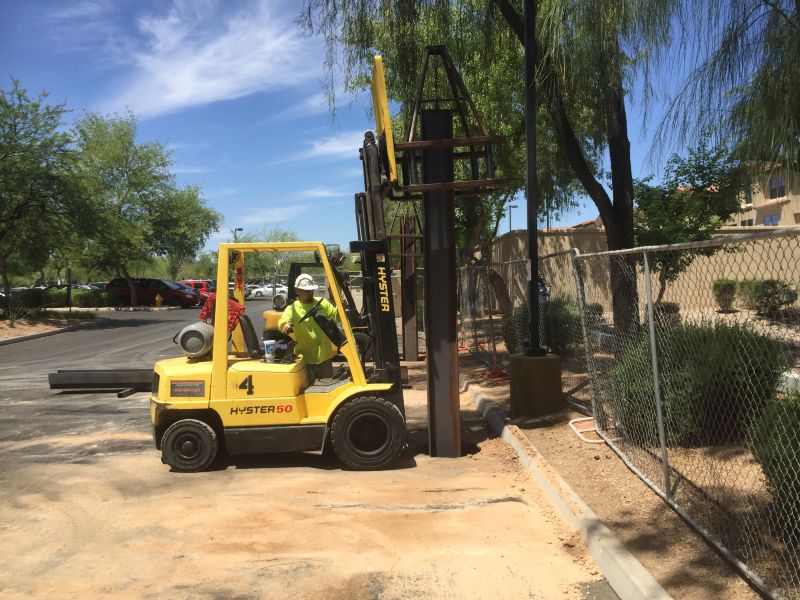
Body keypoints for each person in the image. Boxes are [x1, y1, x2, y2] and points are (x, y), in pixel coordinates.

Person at [279, 273, 339, 384]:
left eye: (311, 291)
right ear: (297, 291)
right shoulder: (293, 308)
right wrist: (284, 326)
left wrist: (340, 305)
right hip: (306, 358)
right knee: (307, 387)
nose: (310, 293)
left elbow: (337, 316)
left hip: (324, 356)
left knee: (327, 386)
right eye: (306, 291)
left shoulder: (322, 303)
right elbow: (283, 321)